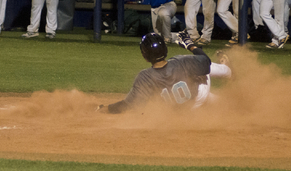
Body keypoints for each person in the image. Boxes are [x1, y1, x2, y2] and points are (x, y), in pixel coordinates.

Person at [96, 31, 231, 113]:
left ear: (145, 56)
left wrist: (106, 108)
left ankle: (225, 101)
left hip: (185, 111)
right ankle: (227, 70)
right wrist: (189, 44)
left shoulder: (145, 77)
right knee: (203, 70)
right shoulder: (181, 61)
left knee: (196, 75)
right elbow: (205, 62)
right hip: (199, 95)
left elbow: (129, 105)